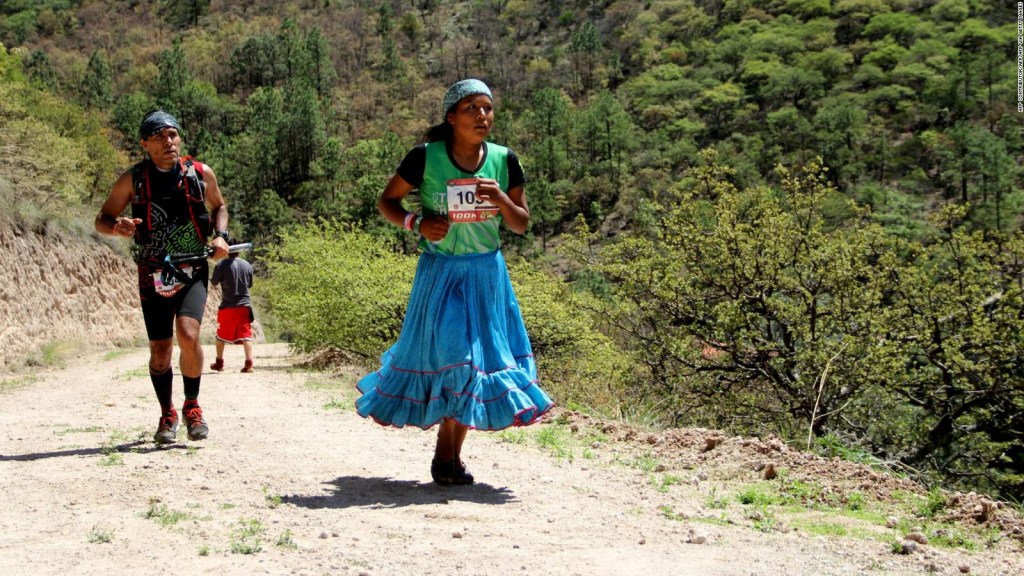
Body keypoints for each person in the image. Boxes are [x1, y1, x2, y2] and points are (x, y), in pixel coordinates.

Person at [354, 79, 554, 486]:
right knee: (454, 358)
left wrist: (500, 199)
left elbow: (521, 224)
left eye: (487, 108)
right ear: (451, 117)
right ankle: (447, 456)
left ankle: (448, 457)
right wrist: (416, 222)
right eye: (472, 109)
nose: (483, 116)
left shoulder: (504, 160)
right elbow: (386, 201)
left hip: (485, 275)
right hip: (440, 273)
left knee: (476, 365)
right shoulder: (425, 158)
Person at [95, 109, 229, 445]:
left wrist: (221, 236)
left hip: (193, 268)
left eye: (173, 134)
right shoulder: (133, 179)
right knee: (159, 350)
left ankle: (192, 406)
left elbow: (219, 207)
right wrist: (117, 228)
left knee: (188, 333)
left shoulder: (200, 173)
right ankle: (167, 413)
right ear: (145, 143)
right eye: (159, 136)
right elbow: (103, 218)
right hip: (151, 271)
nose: (168, 141)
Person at [210, 245, 255, 373]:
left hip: (227, 306)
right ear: (239, 251)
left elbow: (213, 282)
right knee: (246, 335)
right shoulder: (247, 265)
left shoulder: (221, 264)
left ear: (227, 250)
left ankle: (219, 363)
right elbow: (250, 284)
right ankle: (249, 364)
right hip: (244, 306)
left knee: (220, 335)